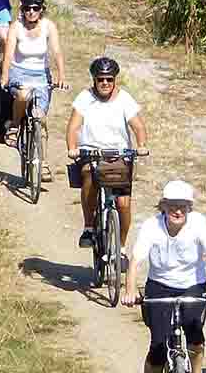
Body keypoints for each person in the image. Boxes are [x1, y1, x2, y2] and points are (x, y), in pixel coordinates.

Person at [122, 180, 206, 373]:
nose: (178, 211)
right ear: (163, 206)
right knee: (158, 348)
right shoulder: (151, 226)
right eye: (172, 206)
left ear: (189, 208)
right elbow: (135, 262)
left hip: (193, 285)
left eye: (182, 206)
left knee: (195, 340)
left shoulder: (199, 223)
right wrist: (130, 290)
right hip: (159, 286)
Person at [65, 57, 149, 259]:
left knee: (123, 204)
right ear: (94, 80)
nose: (105, 83)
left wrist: (141, 146)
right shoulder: (85, 98)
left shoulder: (124, 99)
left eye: (109, 79)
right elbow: (73, 126)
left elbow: (138, 126)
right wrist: (72, 148)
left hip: (119, 155)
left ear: (115, 80)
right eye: (101, 79)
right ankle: (88, 227)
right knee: (87, 174)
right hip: (91, 153)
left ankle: (120, 248)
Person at [1, 0, 67, 128]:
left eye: (35, 8)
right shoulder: (16, 27)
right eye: (27, 8)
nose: (31, 12)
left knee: (40, 117)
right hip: (19, 73)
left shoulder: (49, 26)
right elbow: (8, 54)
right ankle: (15, 124)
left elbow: (57, 52)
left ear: (42, 9)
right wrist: (4, 77)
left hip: (41, 75)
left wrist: (61, 76)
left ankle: (39, 141)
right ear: (22, 9)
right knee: (23, 95)